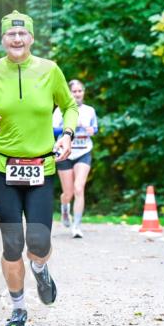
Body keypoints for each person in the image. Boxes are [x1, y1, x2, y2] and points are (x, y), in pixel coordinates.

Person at [0, 10, 78, 326]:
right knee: (12, 243)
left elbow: (69, 106)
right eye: (10, 35)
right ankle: (18, 308)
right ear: (3, 40)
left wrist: (68, 135)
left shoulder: (50, 70)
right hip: (3, 167)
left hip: (41, 167)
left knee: (39, 242)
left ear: (31, 38)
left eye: (22, 34)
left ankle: (41, 269)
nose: (16, 39)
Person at [53, 79, 98, 238]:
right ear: (69, 93)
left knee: (79, 188)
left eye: (80, 91)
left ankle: (77, 226)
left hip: (83, 151)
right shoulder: (60, 110)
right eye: (74, 91)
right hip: (65, 153)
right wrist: (73, 126)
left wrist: (91, 129)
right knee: (69, 193)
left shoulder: (89, 110)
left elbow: (95, 128)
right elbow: (53, 131)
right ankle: (65, 207)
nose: (78, 94)